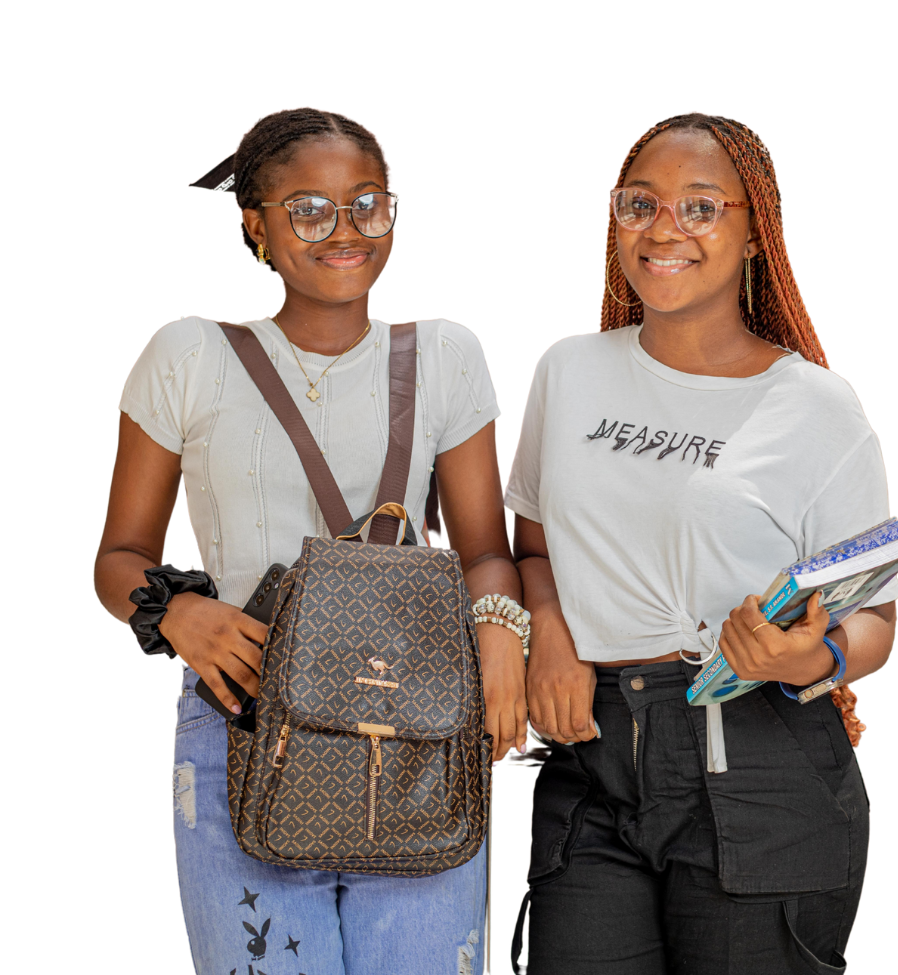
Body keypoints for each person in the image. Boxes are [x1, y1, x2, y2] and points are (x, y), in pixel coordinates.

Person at [92, 106, 529, 975]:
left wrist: (499, 634)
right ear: (254, 225)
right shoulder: (188, 354)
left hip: (418, 719)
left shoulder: (445, 354)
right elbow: (119, 555)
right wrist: (177, 611)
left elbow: (485, 548)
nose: (345, 230)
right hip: (242, 710)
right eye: (309, 210)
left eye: (368, 204)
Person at [505, 111, 898, 974]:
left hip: (761, 761)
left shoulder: (816, 406)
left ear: (755, 230)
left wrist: (803, 657)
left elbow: (875, 621)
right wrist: (552, 637)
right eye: (639, 203)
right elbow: (530, 548)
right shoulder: (568, 370)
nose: (663, 229)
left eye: (699, 206)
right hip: (591, 755)